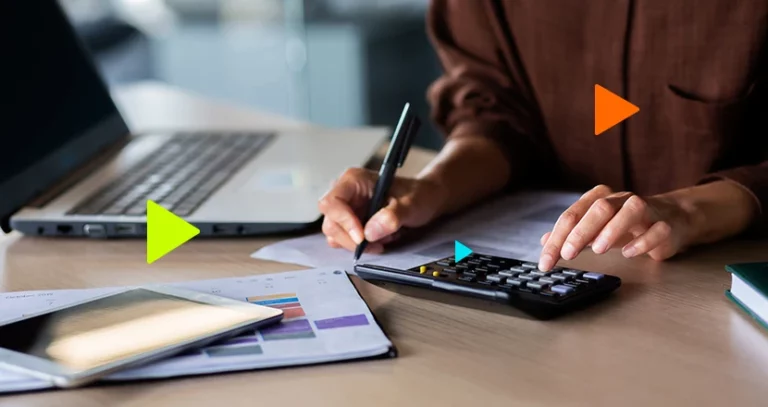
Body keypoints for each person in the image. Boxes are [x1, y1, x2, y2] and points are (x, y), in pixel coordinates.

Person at [318, 0, 768, 271]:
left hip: (720, 280)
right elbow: (497, 112)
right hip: (548, 281)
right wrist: (432, 188)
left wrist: (692, 210)